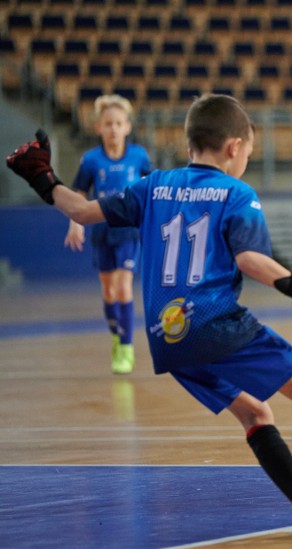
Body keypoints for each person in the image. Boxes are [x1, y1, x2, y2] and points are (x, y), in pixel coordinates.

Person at [6, 94, 292, 538]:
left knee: (255, 414)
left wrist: (42, 176)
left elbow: (81, 210)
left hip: (166, 337)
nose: (246, 160)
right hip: (214, 321)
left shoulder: (152, 185)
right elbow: (253, 260)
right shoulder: (236, 193)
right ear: (234, 147)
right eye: (249, 152)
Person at [64, 95, 152, 374]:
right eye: (108, 124)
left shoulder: (139, 155)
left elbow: (150, 188)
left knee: (123, 285)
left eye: (118, 123)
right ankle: (117, 334)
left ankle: (126, 348)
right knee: (108, 290)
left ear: (127, 126)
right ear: (98, 128)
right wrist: (75, 222)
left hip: (128, 231)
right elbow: (79, 193)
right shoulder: (91, 160)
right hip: (102, 230)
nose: (113, 128)